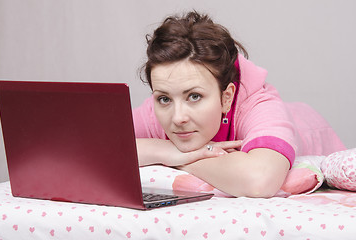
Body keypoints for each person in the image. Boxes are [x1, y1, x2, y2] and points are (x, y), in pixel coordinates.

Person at [132, 11, 346, 198]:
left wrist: (184, 158)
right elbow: (99, 146)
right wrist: (167, 151)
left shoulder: (259, 105)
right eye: (164, 99)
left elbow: (260, 180)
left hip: (309, 126)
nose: (178, 118)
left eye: (194, 96)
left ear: (226, 97)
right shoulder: (158, 110)